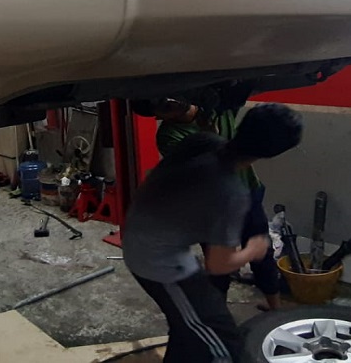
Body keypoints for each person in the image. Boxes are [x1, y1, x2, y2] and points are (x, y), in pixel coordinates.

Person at [122, 104, 304, 363]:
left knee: (187, 327)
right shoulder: (230, 193)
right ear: (273, 153)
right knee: (222, 343)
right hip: (158, 262)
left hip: (139, 233)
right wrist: (253, 250)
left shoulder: (201, 141)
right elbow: (218, 265)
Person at [132, 95, 283, 312]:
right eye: (163, 106)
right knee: (218, 267)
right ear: (158, 116)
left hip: (248, 191)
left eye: (169, 97)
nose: (171, 102)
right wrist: (210, 133)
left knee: (263, 254)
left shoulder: (216, 106)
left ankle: (276, 310)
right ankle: (219, 316)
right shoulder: (168, 136)